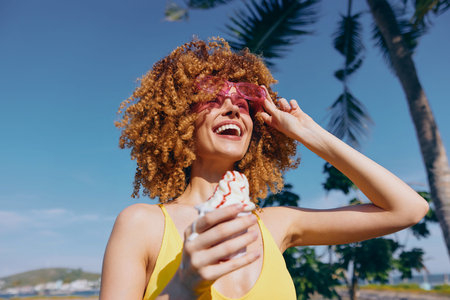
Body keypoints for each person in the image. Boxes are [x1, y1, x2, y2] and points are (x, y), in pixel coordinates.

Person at [99, 38, 428, 300]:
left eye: (244, 104)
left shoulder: (277, 224)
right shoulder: (142, 224)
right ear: (180, 120)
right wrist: (184, 286)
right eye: (214, 97)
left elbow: (408, 209)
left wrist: (308, 133)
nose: (232, 107)